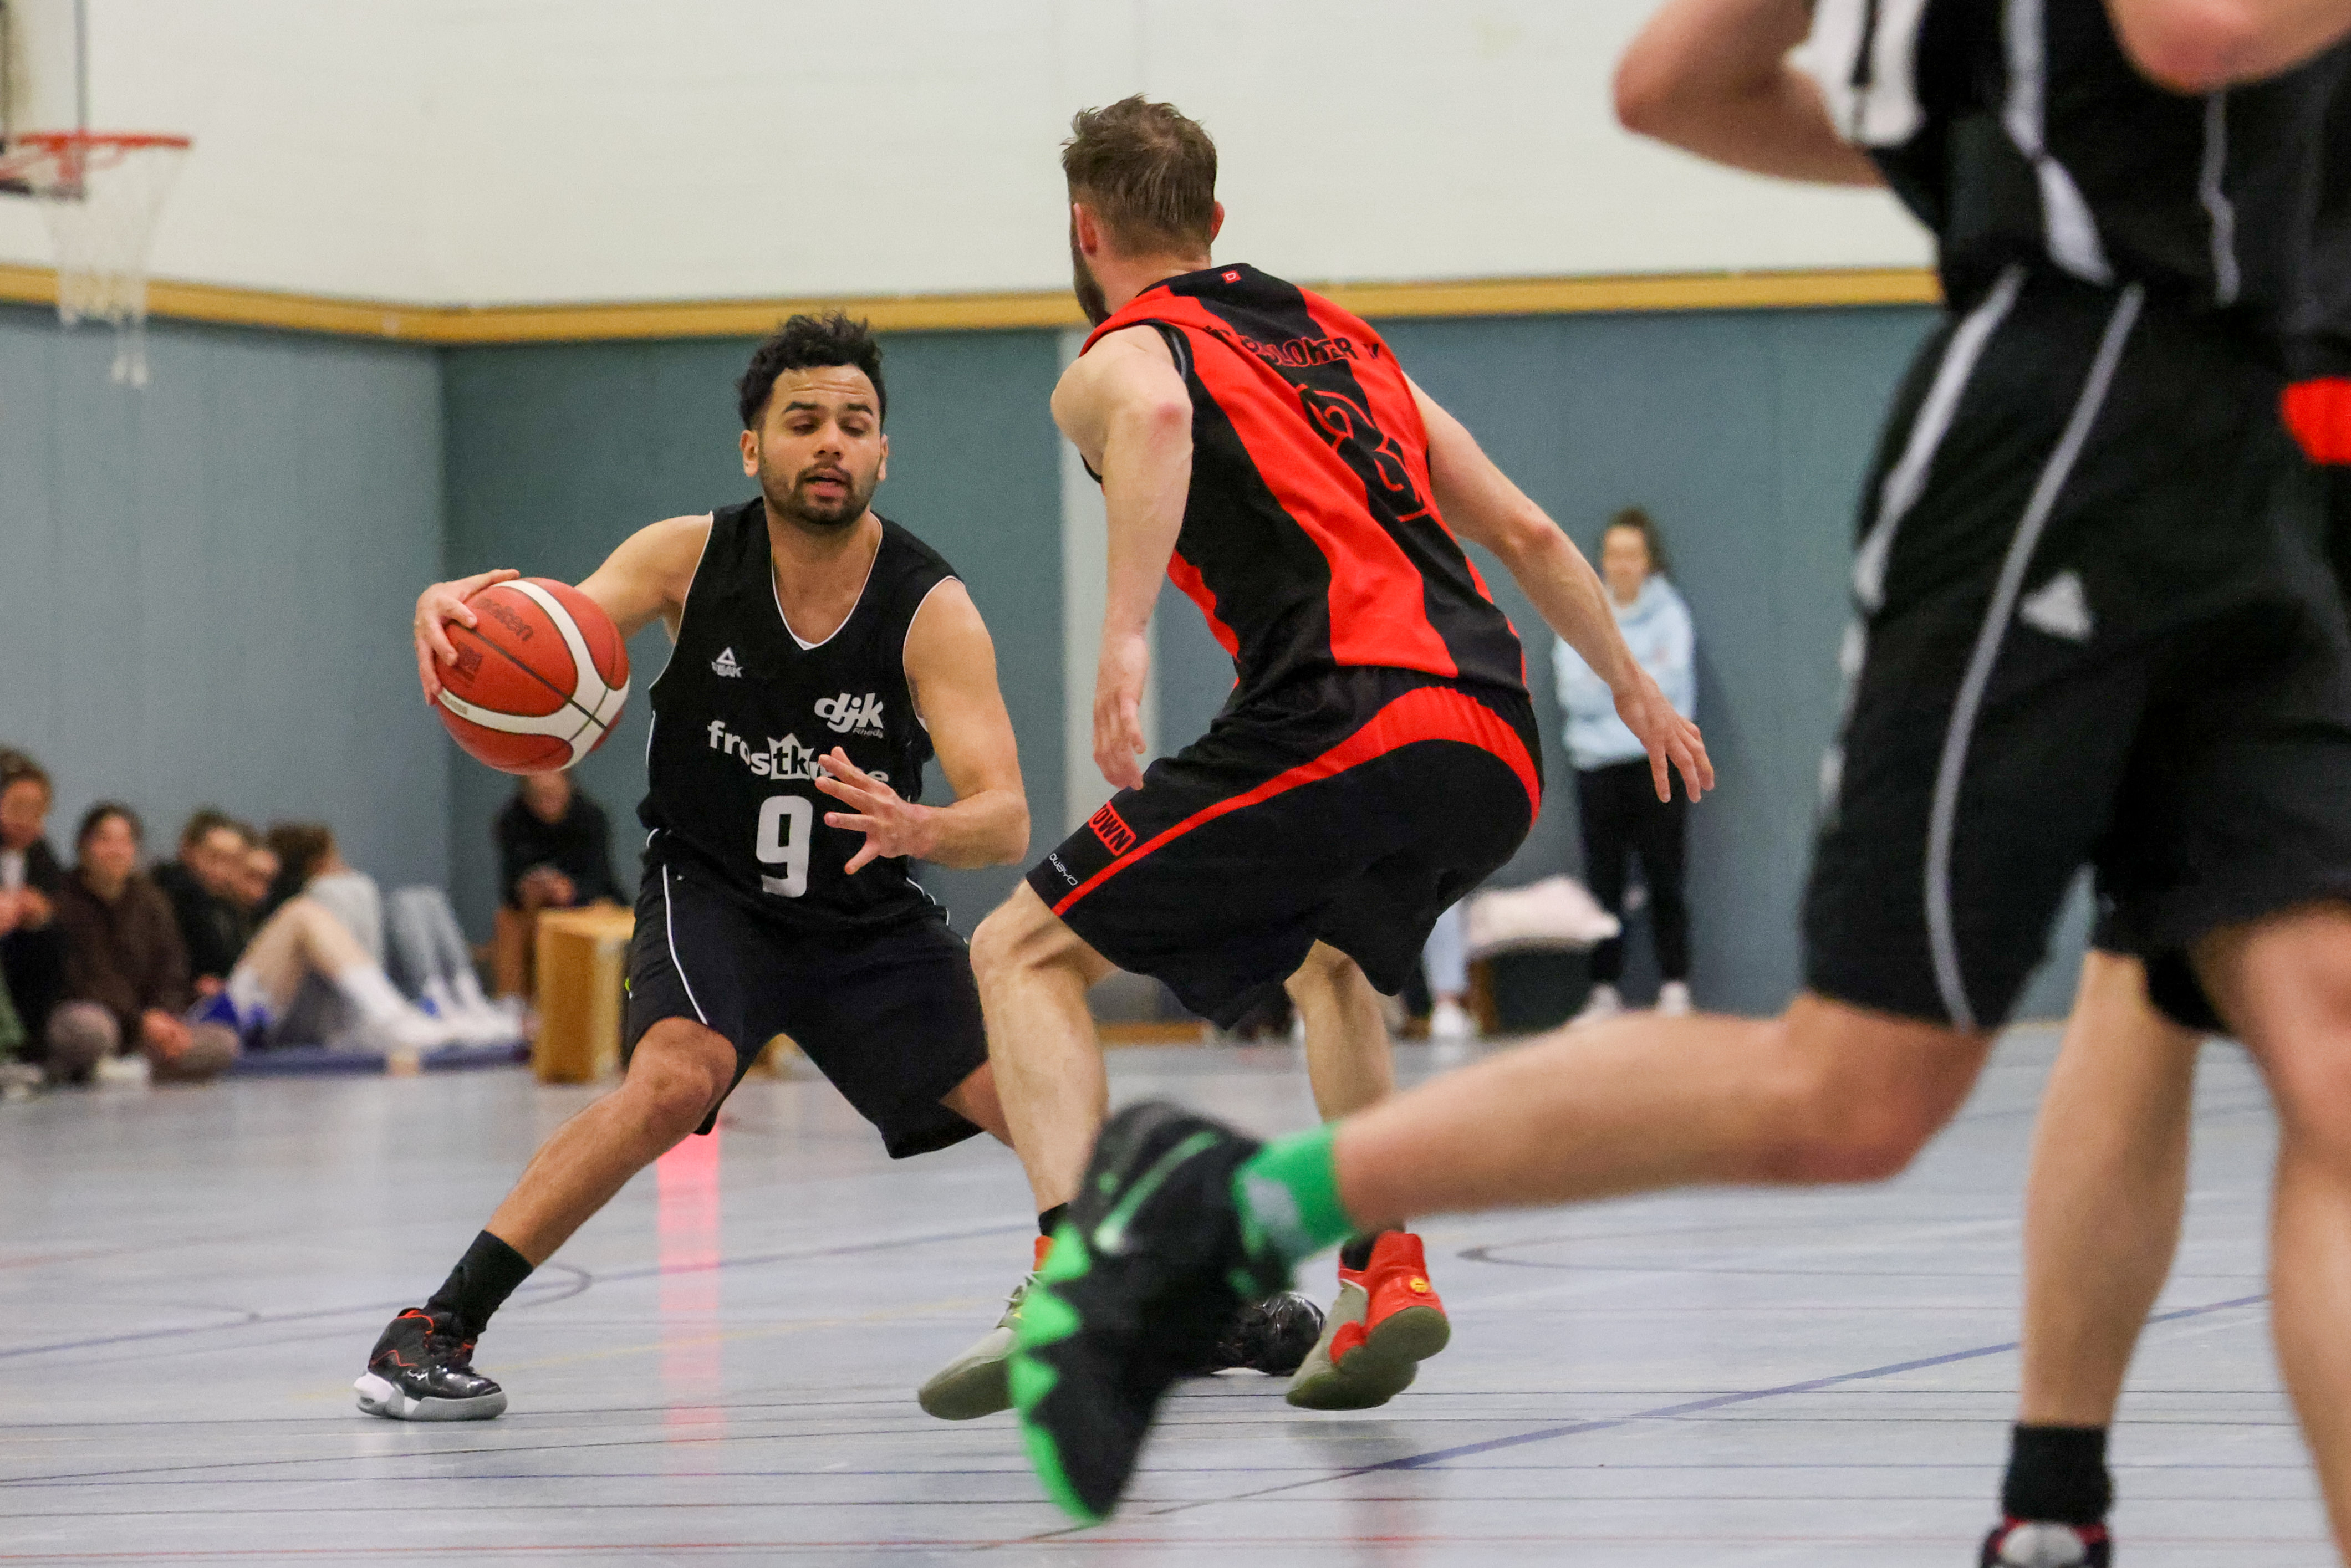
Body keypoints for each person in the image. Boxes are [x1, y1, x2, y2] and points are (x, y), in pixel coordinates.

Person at [1004, 2, 2351, 1541]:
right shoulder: (1244, 346)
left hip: (2262, 456)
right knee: (1853, 1088)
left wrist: (1632, 678)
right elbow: (2179, 34)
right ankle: (1247, 1208)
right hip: (2058, 447)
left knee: (2306, 1037)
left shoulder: (1289, 340)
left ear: (1090, 226)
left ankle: (2048, 1507)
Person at [919, 97, 1704, 1429]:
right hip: (1492, 735)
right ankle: (1383, 1272)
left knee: (1018, 951)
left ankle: (1074, 1275)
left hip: (1346, 713)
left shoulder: (1121, 351)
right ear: (1216, 220)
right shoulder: (1344, 340)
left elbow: (1154, 419)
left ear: (1084, 230)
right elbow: (1520, 527)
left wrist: (1122, 635)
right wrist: (1628, 683)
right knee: (1329, 964)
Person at [365, 310, 1031, 1423]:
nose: (830, 441)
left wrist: (921, 824)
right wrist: (453, 620)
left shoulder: (931, 607)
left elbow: (1004, 818)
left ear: (884, 451)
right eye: (803, 420)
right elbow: (549, 638)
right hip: (712, 886)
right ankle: (432, 1326)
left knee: (1033, 1092)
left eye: (855, 423)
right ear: (752, 447)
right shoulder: (687, 556)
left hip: (865, 914)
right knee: (673, 1081)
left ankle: (1193, 1291)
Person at [1554, 507, 1697, 1025]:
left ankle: (1675, 986)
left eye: (1632, 554)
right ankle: (1603, 990)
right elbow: (1575, 694)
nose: (1622, 564)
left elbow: (1669, 690)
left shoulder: (1671, 615)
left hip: (1657, 762)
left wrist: (1612, 684)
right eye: (1613, 554)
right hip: (1597, 768)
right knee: (1604, 882)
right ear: (1602, 560)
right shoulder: (1582, 613)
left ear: (1648, 561)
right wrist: (1636, 685)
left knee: (1666, 877)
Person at [49, 804, 238, 1084]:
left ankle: (130, 1070)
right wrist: (140, 1020)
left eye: (125, 842)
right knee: (89, 1029)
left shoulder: (152, 902)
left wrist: (164, 1016)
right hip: (100, 1017)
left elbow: (171, 972)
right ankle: (120, 1067)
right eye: (105, 840)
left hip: (151, 1027)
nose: (116, 851)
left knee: (224, 1042)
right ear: (83, 847)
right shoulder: (62, 902)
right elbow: (80, 980)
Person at [491, 770, 620, 999]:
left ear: (568, 787)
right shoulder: (511, 821)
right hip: (535, 910)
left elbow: (602, 880)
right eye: (538, 797)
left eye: (552, 795)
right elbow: (509, 887)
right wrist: (529, 889)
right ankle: (513, 1003)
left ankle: (590, 1002)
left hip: (584, 905)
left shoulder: (590, 818)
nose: (546, 804)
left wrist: (571, 891)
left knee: (600, 914)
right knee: (507, 922)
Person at [0, 752, 67, 1080]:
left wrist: (41, 916)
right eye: (19, 808)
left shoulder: (40, 855)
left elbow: (61, 916)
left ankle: (29, 1049)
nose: (28, 820)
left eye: (37, 811)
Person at [151, 809, 256, 996]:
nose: (220, 869)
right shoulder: (171, 895)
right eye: (214, 856)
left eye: (231, 861)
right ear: (190, 852)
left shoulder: (227, 907)